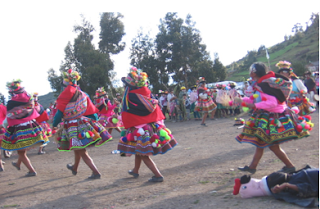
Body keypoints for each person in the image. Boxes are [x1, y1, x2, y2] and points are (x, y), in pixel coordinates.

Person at [236, 62, 311, 174]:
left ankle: (289, 166)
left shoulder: (265, 85)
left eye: (251, 71)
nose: (250, 73)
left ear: (254, 72)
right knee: (261, 142)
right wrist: (242, 100)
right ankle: (253, 166)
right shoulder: (261, 83)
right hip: (267, 116)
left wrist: (254, 105)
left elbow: (272, 102)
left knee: (270, 145)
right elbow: (256, 99)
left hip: (273, 118)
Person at [117, 67, 177, 182]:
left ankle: (158, 175)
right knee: (139, 150)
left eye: (126, 85)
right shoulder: (146, 94)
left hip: (140, 128)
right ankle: (135, 170)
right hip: (150, 126)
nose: (125, 87)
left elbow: (128, 112)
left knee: (143, 153)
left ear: (131, 86)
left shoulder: (130, 96)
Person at [52, 69, 113, 179]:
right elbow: (91, 109)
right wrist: (94, 122)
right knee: (78, 147)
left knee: (81, 150)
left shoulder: (64, 95)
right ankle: (75, 167)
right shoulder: (83, 94)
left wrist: (54, 124)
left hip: (72, 126)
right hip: (83, 123)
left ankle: (95, 172)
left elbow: (59, 112)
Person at [1, 80, 49, 177]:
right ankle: (18, 164)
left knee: (21, 151)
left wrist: (5, 126)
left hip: (18, 129)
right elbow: (39, 110)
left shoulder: (11, 103)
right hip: (32, 126)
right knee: (22, 150)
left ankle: (32, 171)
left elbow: (9, 117)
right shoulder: (29, 99)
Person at [233, 165, 319, 208]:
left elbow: (306, 189)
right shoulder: (295, 178)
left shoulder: (294, 181)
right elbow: (306, 188)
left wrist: (286, 185)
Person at [0, 102, 7, 171]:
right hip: (2, 128)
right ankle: (6, 151)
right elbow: (8, 116)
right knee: (4, 142)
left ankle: (1, 165)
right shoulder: (2, 107)